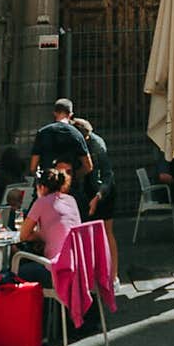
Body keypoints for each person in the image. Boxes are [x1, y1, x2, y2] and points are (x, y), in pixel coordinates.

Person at [72, 118, 121, 290]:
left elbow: (107, 176)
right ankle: (96, 273)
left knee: (107, 232)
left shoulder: (97, 146)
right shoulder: (83, 142)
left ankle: (113, 276)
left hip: (103, 193)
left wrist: (98, 196)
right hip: (89, 191)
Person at [17, 167, 82, 287]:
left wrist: (37, 234)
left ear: (41, 187)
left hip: (57, 271)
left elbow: (23, 235)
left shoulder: (41, 202)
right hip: (79, 267)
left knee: (18, 270)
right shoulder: (71, 200)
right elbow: (59, 229)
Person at [29, 99, 93, 180]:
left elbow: (32, 167)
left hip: (47, 184)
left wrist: (40, 178)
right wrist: (73, 177)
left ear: (54, 113)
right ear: (70, 114)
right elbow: (88, 166)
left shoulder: (43, 132)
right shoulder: (76, 134)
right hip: (69, 186)